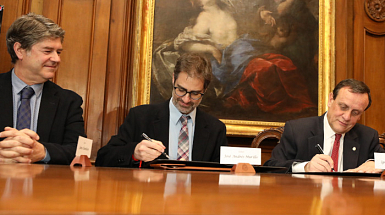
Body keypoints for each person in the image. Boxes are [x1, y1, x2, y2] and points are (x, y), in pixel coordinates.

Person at [95, 52, 227, 167]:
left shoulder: (216, 129)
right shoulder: (140, 116)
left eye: (195, 93)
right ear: (173, 79)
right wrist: (134, 153)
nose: (186, 99)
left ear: (205, 89)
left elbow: (222, 175)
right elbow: (104, 158)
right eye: (181, 90)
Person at [0, 13, 86, 164]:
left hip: (44, 185)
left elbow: (80, 151)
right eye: (47, 51)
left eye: (58, 52)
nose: (56, 59)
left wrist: (43, 152)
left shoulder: (69, 101)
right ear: (19, 50)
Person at [264, 79, 385, 173]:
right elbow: (272, 166)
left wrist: (376, 163)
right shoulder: (297, 130)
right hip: (307, 202)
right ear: (331, 100)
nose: (347, 117)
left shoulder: (367, 136)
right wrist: (305, 167)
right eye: (343, 107)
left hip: (349, 202)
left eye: (355, 112)